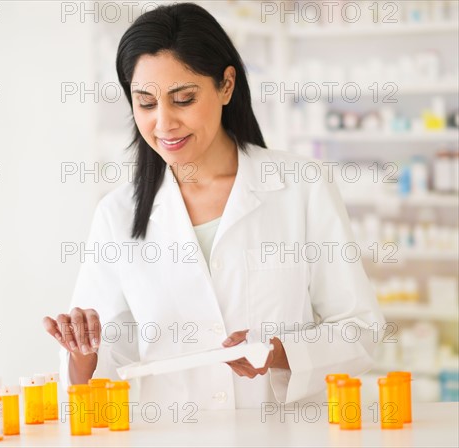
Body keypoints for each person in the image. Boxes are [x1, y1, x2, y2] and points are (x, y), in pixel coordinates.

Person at [43, 3, 384, 409]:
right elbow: (102, 363)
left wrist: (277, 353)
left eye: (183, 99)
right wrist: (83, 356)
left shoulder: (300, 187)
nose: (164, 123)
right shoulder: (117, 215)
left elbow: (360, 330)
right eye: (146, 104)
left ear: (226, 85)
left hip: (277, 434)